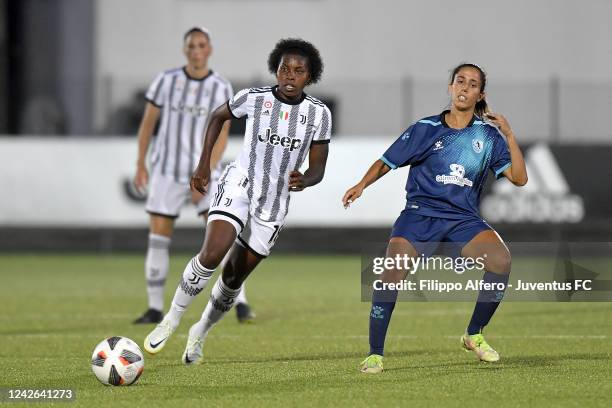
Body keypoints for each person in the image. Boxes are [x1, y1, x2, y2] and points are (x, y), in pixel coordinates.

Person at [144, 38, 332, 365]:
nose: (289, 76)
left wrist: (307, 178)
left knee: (232, 282)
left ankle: (199, 332)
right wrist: (204, 165)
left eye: (298, 71)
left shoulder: (318, 114)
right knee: (213, 253)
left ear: (309, 76)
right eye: (284, 69)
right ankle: (171, 319)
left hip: (273, 204)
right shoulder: (253, 99)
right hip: (240, 183)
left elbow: (318, 166)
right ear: (276, 70)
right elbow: (217, 118)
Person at [343, 63, 527, 373]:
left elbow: (519, 179)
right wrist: (362, 184)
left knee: (501, 261)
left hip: (462, 219)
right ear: (450, 87)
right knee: (391, 275)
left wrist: (509, 135)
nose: (464, 88)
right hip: (420, 215)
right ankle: (375, 353)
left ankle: (474, 335)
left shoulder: (489, 137)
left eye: (472, 84)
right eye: (460, 81)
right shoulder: (425, 128)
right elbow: (386, 162)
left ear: (480, 94)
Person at [132, 26, 254, 325]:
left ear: (209, 49)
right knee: (158, 237)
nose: (196, 50)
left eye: (201, 45)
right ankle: (153, 308)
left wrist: (207, 171)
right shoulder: (166, 81)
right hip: (167, 170)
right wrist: (141, 163)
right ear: (185, 50)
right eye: (191, 46)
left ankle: (240, 302)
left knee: (222, 237)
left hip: (204, 172)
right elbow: (148, 124)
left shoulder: (221, 87)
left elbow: (223, 132)